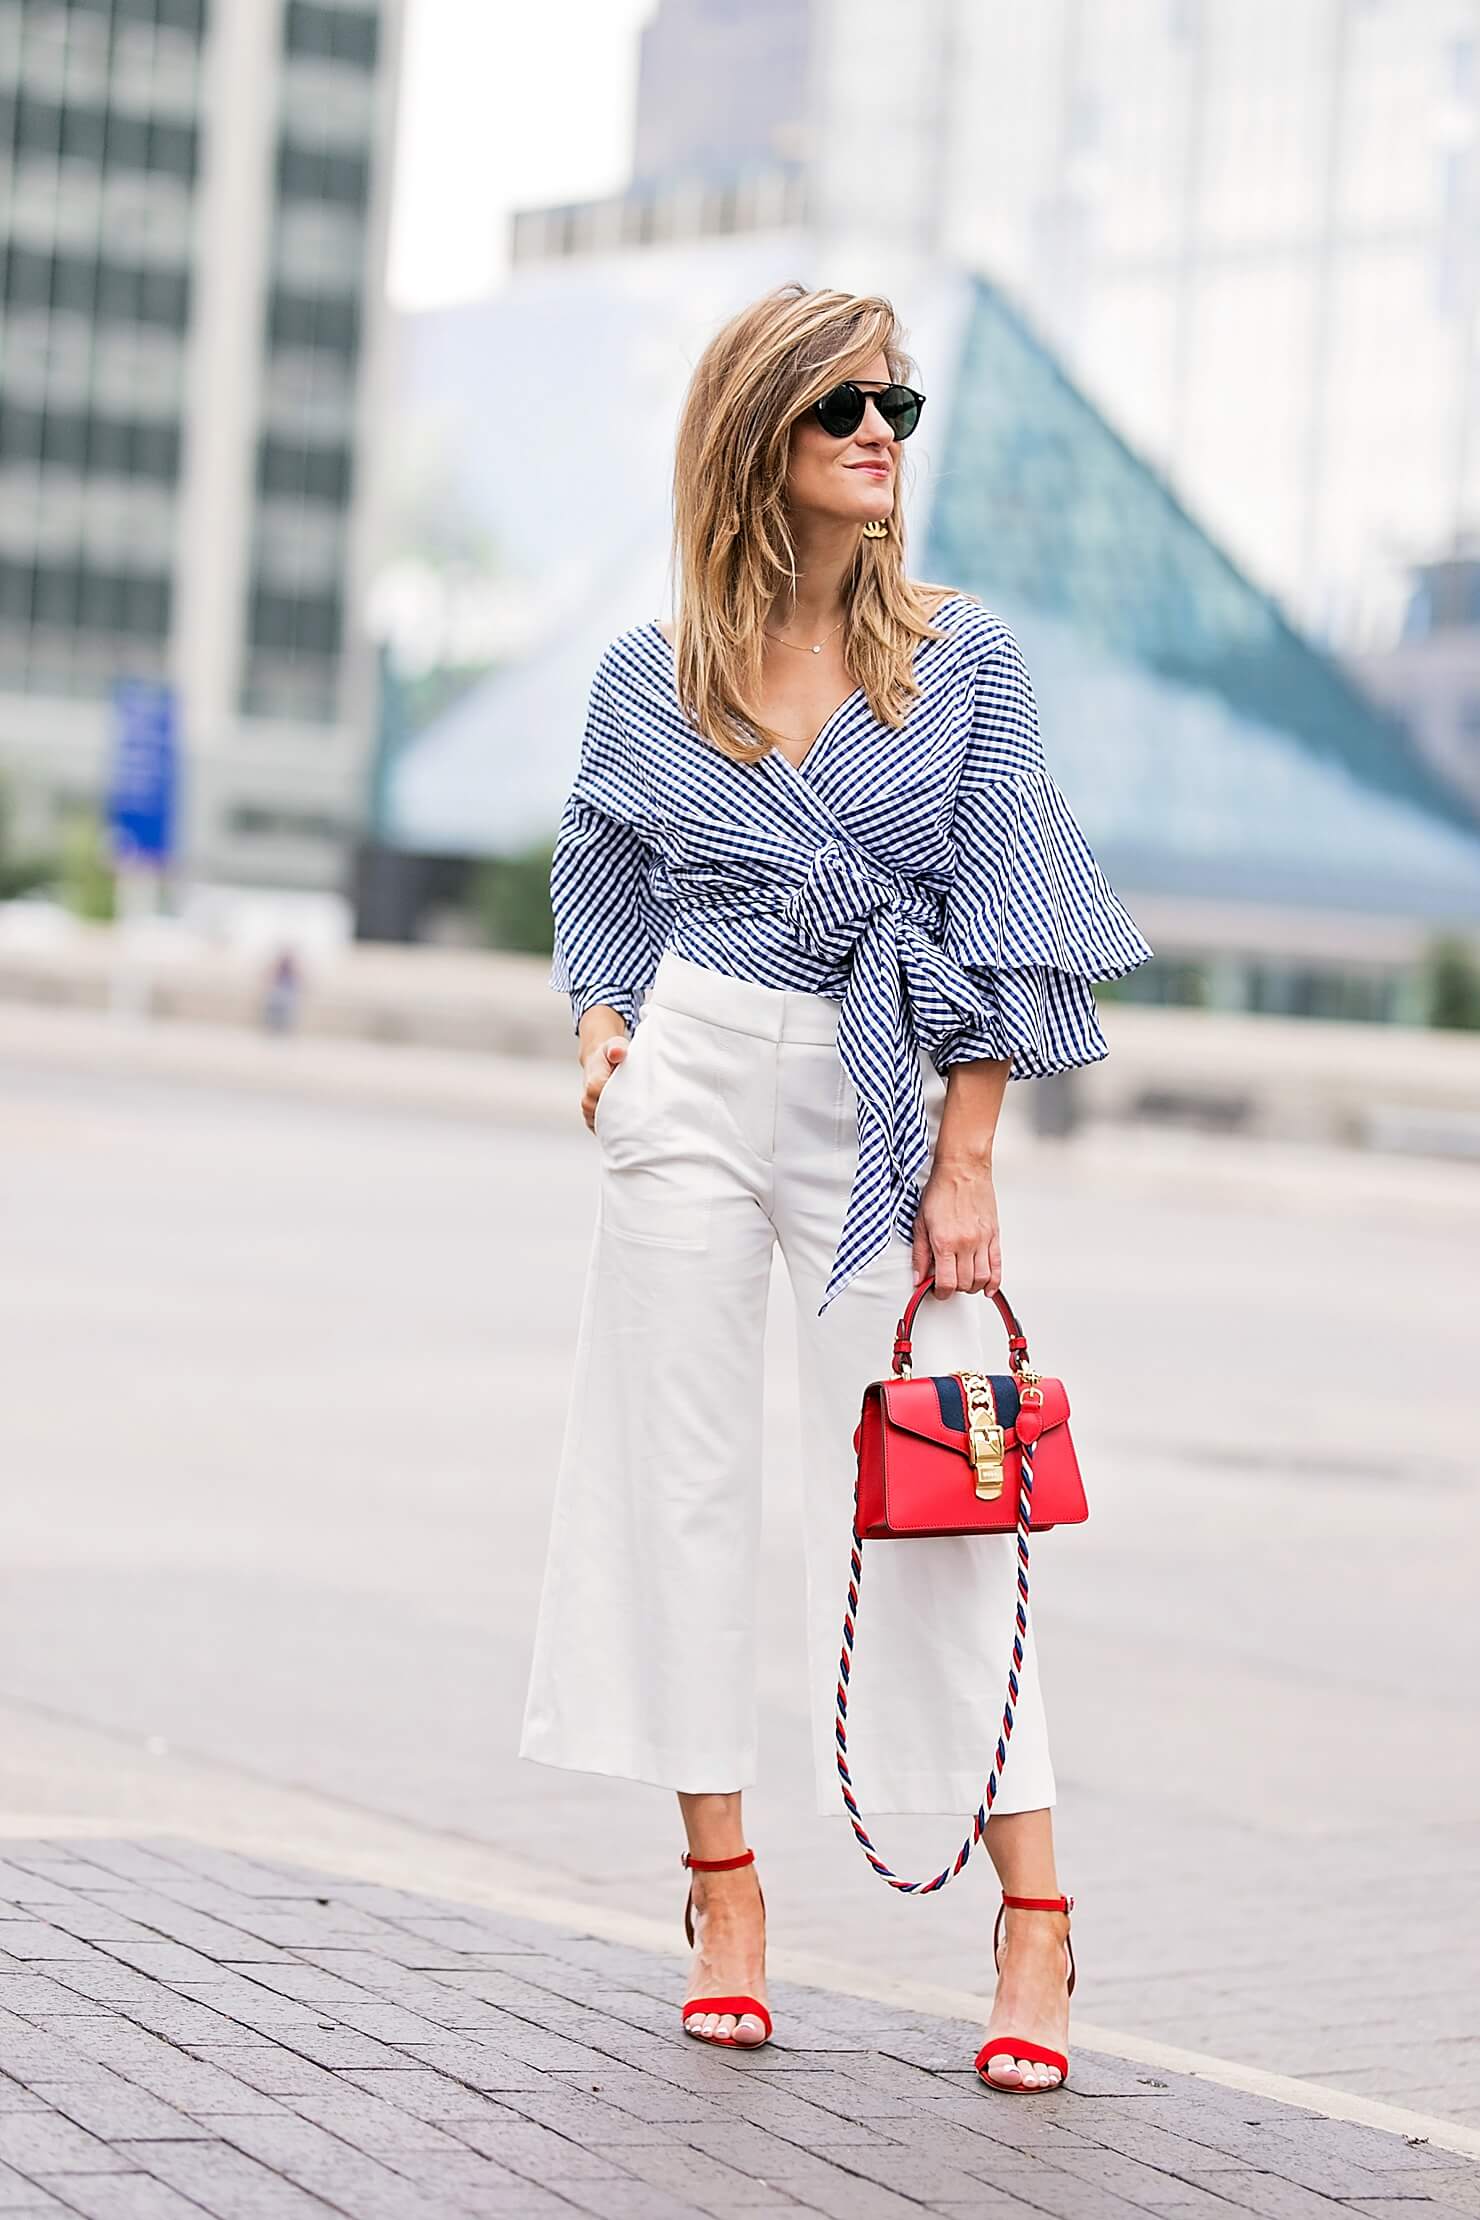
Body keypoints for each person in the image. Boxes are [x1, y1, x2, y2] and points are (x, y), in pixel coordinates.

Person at [520, 283, 1153, 2092]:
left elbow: (1006, 908)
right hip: (695, 1078)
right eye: (843, 408)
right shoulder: (656, 674)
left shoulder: (965, 661)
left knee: (946, 1499)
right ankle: (723, 1891)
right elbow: (599, 857)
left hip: (882, 1090)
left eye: (899, 403)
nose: (884, 432)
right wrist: (600, 1029)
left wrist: (970, 1157)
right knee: (681, 1488)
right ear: (758, 443)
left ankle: (1034, 1920)